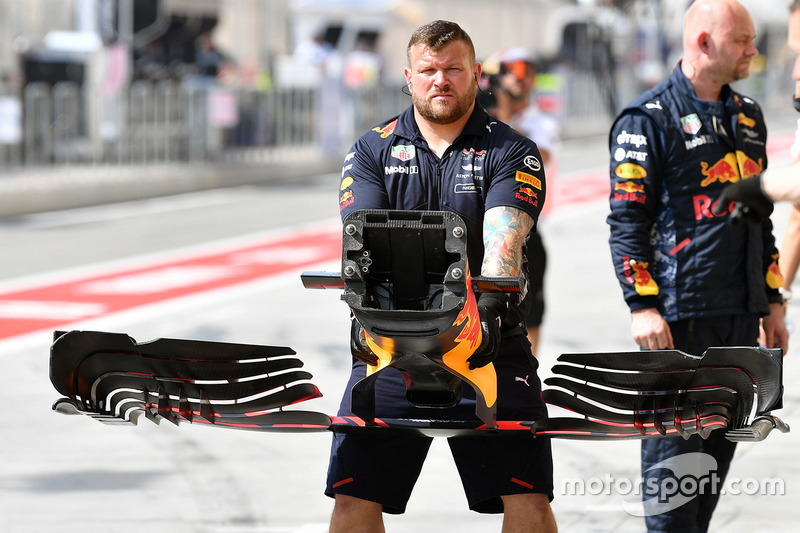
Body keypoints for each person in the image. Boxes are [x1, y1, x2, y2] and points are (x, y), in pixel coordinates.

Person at [329, 20, 557, 532]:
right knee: (351, 500)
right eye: (429, 70)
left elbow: (504, 249)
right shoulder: (370, 151)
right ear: (408, 77)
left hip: (489, 343)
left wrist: (483, 324)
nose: (441, 80)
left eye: (454, 69)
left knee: (530, 501)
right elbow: (362, 245)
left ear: (476, 74)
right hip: (387, 347)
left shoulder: (512, 150)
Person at [606, 1, 788, 532]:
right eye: (743, 40)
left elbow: (763, 217)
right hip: (678, 326)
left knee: (708, 479)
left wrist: (773, 300)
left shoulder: (748, 115)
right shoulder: (648, 120)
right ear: (704, 43)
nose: (754, 50)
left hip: (739, 319)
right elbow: (627, 222)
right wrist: (642, 305)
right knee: (672, 488)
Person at [480, 48, 560, 356]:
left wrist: (502, 120)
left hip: (529, 227)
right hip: (484, 223)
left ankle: (529, 370)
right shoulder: (480, 116)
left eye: (525, 72)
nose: (517, 80)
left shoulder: (538, 121)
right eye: (510, 72)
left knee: (531, 307)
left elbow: (542, 156)